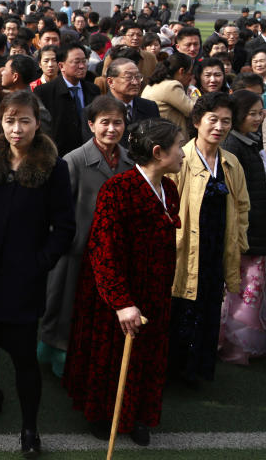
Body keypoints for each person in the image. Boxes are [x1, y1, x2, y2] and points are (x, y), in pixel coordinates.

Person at [0, 90, 74, 458]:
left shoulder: (53, 166)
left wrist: (40, 262)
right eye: (9, 120)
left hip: (22, 278)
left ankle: (29, 427)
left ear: (37, 123)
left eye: (24, 120)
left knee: (23, 354)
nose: (16, 128)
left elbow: (64, 227)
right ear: (0, 123)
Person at [65, 118, 185, 446]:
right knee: (113, 355)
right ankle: (103, 414)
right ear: (159, 152)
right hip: (118, 295)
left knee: (147, 353)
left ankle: (139, 415)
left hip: (155, 291)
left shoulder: (170, 189)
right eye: (179, 147)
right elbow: (102, 250)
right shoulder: (118, 189)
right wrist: (121, 301)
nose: (183, 154)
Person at [39, 96, 134, 378]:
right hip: (77, 249)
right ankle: (57, 356)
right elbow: (56, 209)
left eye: (118, 122)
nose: (111, 129)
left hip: (113, 251)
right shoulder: (74, 160)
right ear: (91, 125)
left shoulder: (129, 161)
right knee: (64, 306)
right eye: (104, 122)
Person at [168, 93, 250, 386]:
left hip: (217, 248)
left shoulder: (231, 163)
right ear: (197, 122)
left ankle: (197, 371)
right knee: (180, 310)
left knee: (209, 307)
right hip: (185, 249)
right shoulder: (180, 159)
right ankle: (173, 372)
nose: (219, 126)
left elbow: (242, 207)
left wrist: (238, 245)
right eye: (212, 119)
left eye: (225, 121)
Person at [219, 90, 266, 364]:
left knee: (252, 290)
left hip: (258, 228)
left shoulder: (248, 142)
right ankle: (235, 346)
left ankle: (245, 345)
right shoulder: (234, 147)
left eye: (261, 112)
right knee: (244, 291)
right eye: (252, 113)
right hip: (247, 233)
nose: (258, 118)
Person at [34, 43, 100, 157]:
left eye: (84, 61)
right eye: (76, 62)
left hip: (89, 154)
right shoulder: (44, 92)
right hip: (58, 154)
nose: (82, 66)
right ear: (61, 66)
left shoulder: (93, 90)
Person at [104, 58, 160, 147]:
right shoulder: (98, 110)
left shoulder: (150, 107)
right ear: (111, 82)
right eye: (128, 77)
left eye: (138, 77)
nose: (135, 82)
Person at [142, 52, 196, 136]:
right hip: (170, 140)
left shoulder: (152, 84)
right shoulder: (171, 86)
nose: (191, 77)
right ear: (181, 71)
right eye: (190, 73)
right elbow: (194, 111)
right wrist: (193, 89)